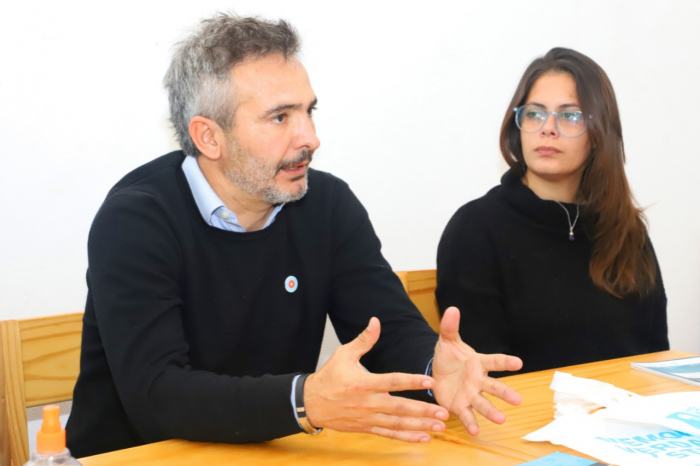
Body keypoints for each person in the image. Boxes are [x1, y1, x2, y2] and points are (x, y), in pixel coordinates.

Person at [66, 13, 523, 457]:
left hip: (276, 451)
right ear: (208, 137)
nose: (310, 137)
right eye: (280, 117)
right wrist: (304, 400)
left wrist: (432, 369)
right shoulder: (136, 220)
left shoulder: (325, 205)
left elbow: (386, 329)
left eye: (308, 111)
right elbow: (156, 396)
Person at [436, 47, 669, 376]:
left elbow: (656, 358)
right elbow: (484, 375)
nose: (547, 128)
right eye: (534, 113)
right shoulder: (475, 228)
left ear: (599, 134)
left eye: (570, 115)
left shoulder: (627, 229)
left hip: (631, 421)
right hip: (525, 421)